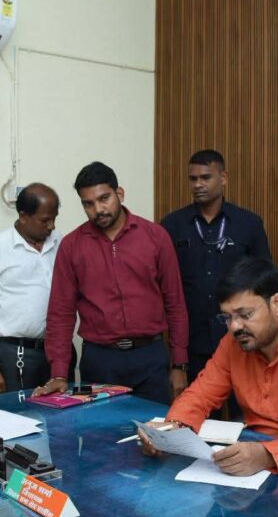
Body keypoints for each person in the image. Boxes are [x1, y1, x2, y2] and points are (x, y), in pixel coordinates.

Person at [140, 258, 278, 475]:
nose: (235, 327)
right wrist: (172, 428)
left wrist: (268, 455)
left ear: (276, 304)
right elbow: (200, 395)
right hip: (253, 457)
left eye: (245, 315)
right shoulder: (234, 343)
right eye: (227, 317)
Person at [38, 162, 189, 404]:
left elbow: (175, 302)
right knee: (101, 428)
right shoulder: (72, 246)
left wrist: (179, 364)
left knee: (155, 427)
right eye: (88, 204)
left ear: (120, 193)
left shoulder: (155, 237)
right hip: (100, 360)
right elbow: (60, 312)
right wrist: (58, 373)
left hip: (150, 357)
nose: (98, 209)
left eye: (104, 198)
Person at [160, 149, 272, 384]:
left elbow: (265, 280)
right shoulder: (172, 225)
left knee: (245, 403)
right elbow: (164, 286)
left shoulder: (248, 223)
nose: (198, 184)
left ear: (223, 178)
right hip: (192, 342)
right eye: (193, 179)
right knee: (197, 402)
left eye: (206, 177)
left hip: (240, 337)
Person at [0, 183, 61, 393]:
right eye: (45, 220)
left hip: (55, 351)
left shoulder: (60, 242)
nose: (52, 226)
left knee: (60, 410)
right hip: (15, 353)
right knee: (18, 412)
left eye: (54, 218)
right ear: (23, 216)